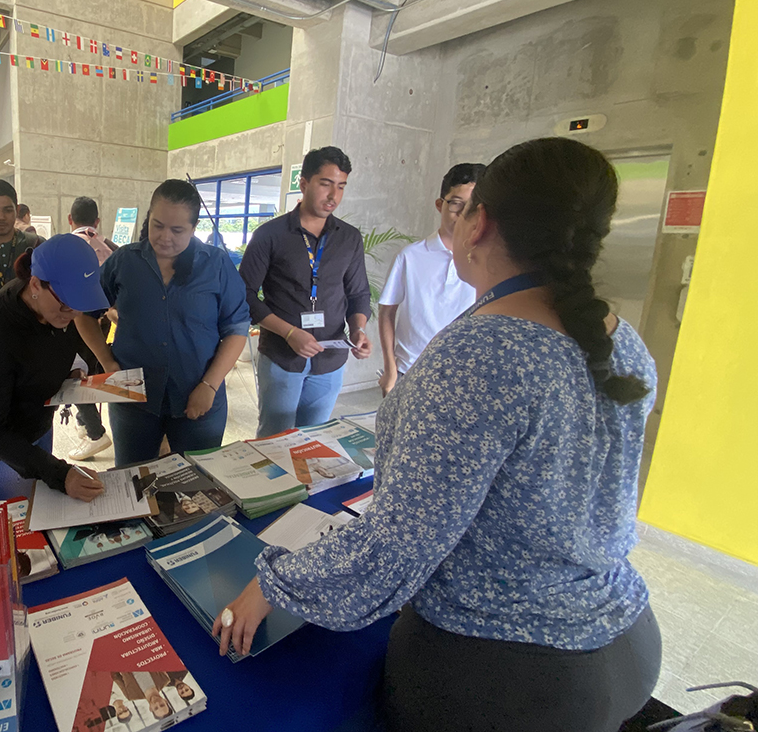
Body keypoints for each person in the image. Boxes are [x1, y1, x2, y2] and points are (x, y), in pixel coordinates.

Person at [213, 138, 661, 732]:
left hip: (503, 676)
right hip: (621, 636)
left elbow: (396, 545)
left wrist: (272, 585)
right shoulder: (621, 338)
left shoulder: (480, 357)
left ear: (481, 226)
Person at [78, 180, 250, 467]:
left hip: (199, 397)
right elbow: (84, 315)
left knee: (199, 486)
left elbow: (236, 329)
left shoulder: (215, 264)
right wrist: (108, 364)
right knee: (132, 483)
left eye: (177, 230)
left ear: (194, 228)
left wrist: (210, 385)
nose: (164, 237)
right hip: (132, 400)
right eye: (157, 225)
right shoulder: (124, 261)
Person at [0, 234, 109, 502]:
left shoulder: (60, 310)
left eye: (79, 306)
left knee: (44, 510)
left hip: (37, 425)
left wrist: (67, 373)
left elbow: (51, 348)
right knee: (18, 528)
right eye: (66, 304)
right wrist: (60, 474)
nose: (71, 315)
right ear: (35, 284)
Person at [239, 147, 373, 437]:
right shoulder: (270, 235)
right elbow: (245, 297)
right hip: (282, 358)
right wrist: (289, 333)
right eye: (326, 184)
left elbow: (359, 292)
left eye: (341, 186)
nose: (333, 196)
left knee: (314, 440)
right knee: (275, 439)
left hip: (330, 359)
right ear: (304, 183)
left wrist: (359, 329)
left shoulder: (349, 238)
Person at [378, 163, 484, 396]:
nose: (463, 215)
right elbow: (387, 311)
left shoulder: (486, 260)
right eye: (456, 204)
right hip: (410, 371)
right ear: (440, 205)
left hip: (463, 376)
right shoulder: (411, 256)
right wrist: (390, 370)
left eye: (472, 207)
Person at [66, 196, 118, 461]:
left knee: (74, 377)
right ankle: (86, 424)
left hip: (75, 323)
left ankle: (96, 434)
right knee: (93, 373)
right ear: (97, 221)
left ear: (69, 219)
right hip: (108, 324)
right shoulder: (111, 248)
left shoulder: (67, 247)